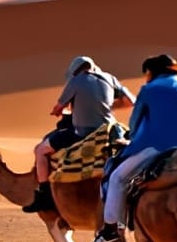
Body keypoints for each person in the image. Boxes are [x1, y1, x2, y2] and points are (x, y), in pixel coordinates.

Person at [94, 54, 177, 242]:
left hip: (159, 146)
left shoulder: (149, 89)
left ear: (152, 72)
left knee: (117, 177)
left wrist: (130, 137)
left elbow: (135, 123)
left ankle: (111, 228)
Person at [23, 56, 135, 213]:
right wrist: (105, 106)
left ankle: (44, 195)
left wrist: (60, 111)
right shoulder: (110, 78)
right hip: (110, 130)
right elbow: (130, 101)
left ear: (74, 72)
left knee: (40, 150)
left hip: (82, 132)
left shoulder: (76, 81)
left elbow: (58, 108)